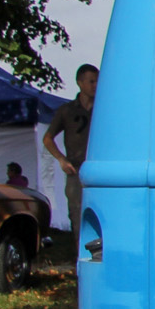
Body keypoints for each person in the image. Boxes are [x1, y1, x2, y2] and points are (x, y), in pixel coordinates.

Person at [43, 63, 97, 232]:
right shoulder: (67, 111)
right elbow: (48, 138)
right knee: (77, 213)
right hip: (76, 170)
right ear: (80, 83)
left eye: (97, 82)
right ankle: (78, 253)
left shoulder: (104, 109)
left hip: (98, 168)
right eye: (91, 81)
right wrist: (61, 159)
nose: (95, 86)